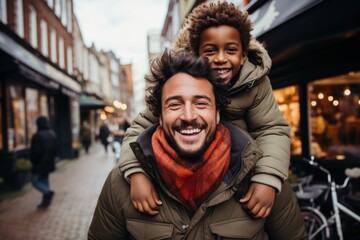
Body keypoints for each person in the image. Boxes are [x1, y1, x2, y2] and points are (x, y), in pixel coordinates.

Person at [88, 50, 307, 239]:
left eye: (201, 103)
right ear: (160, 118)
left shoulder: (262, 175)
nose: (188, 115)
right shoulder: (121, 183)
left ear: (217, 113)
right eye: (174, 104)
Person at [119, 1, 291, 217]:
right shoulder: (181, 84)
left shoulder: (255, 84)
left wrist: (267, 177)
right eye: (210, 51)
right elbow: (138, 131)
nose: (220, 59)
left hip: (237, 176)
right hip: (190, 173)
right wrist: (137, 173)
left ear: (244, 55)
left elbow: (271, 129)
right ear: (196, 53)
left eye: (230, 50)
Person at [30, 116, 57, 209]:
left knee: (35, 181)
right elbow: (56, 150)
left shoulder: (38, 136)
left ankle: (48, 193)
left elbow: (35, 153)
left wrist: (33, 161)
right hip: (49, 163)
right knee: (44, 181)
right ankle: (45, 202)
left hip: (39, 165)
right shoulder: (52, 134)